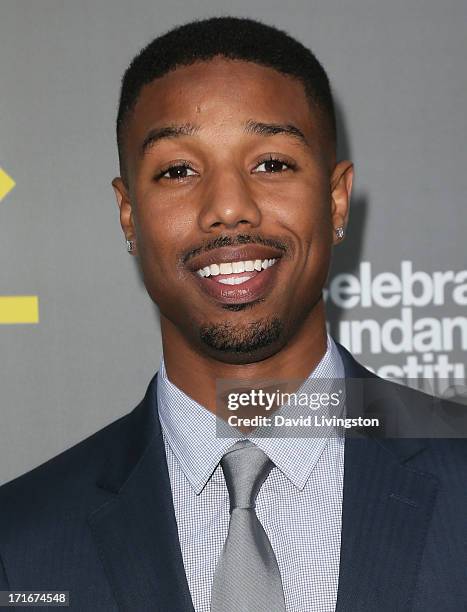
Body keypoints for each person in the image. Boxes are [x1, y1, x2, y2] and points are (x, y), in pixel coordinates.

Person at [0, 16, 466, 612]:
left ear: (336, 198)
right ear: (128, 215)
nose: (228, 208)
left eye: (271, 163)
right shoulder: (21, 544)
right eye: (178, 170)